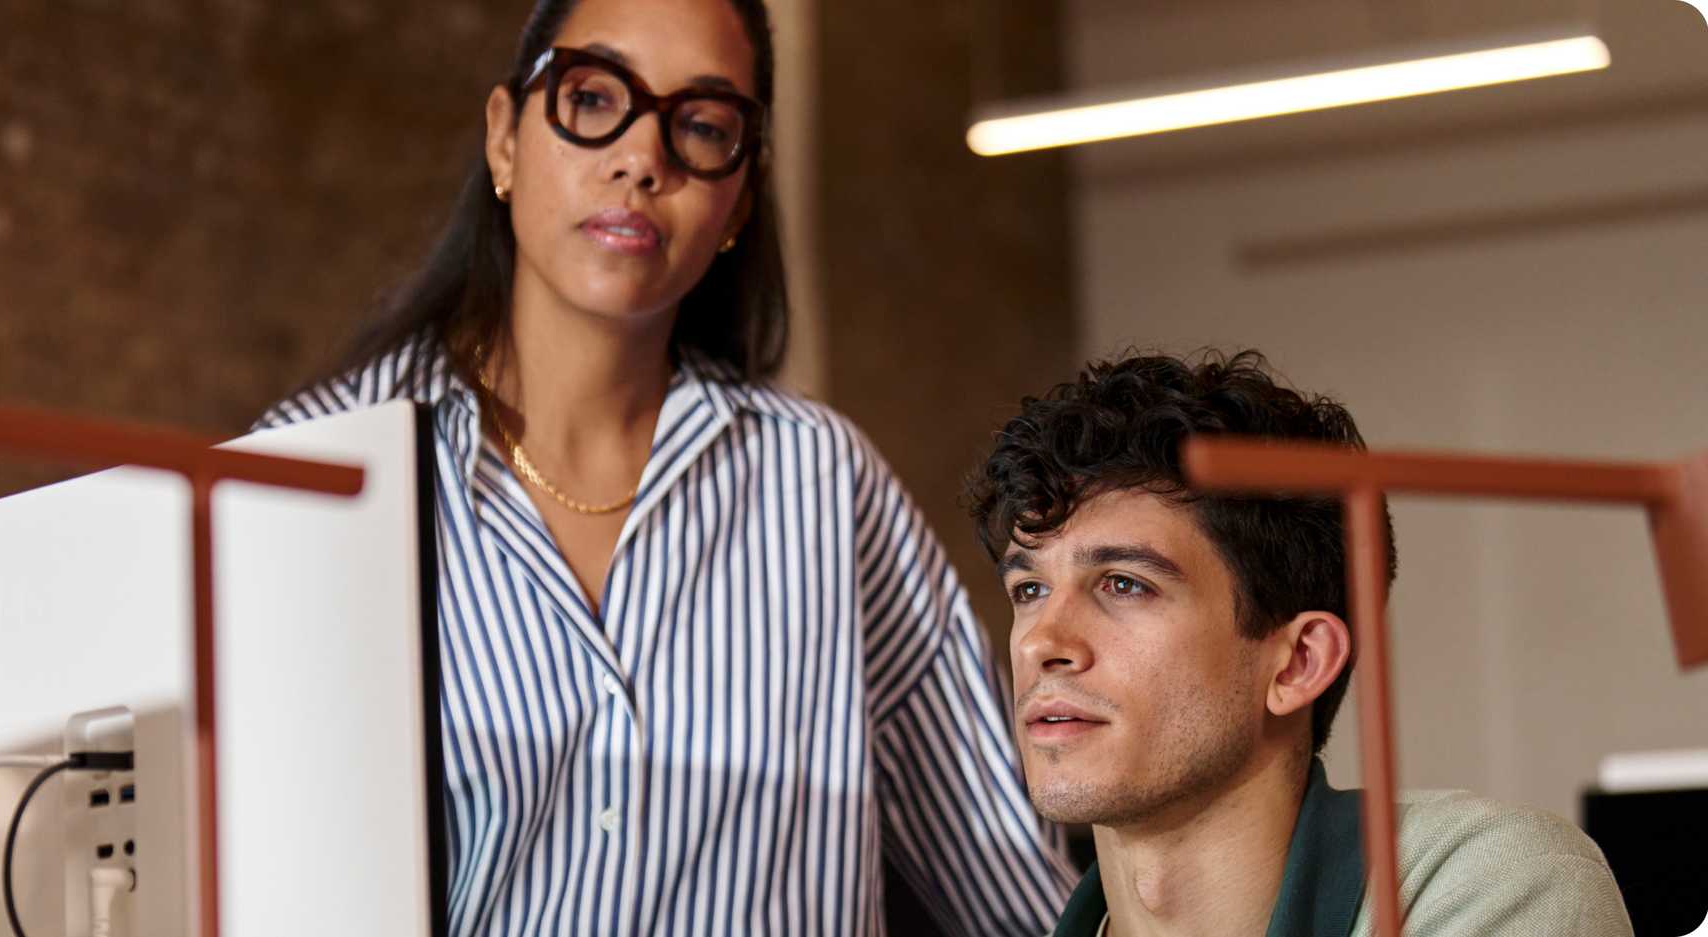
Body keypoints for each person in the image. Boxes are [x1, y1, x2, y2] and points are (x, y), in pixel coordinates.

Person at [255, 0, 1072, 932]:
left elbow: (1013, 883)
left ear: (740, 202)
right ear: (504, 141)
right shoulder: (311, 475)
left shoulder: (820, 483)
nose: (643, 158)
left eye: (704, 125)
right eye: (593, 97)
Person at [963, 350, 1633, 937]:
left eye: (1125, 584)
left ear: (1300, 661)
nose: (1042, 642)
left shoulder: (1498, 881)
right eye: (1029, 590)